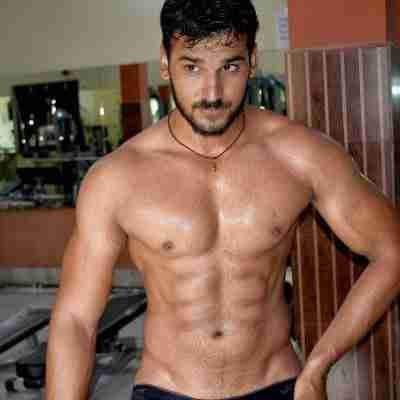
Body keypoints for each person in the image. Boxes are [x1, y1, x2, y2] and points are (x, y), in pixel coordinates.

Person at [46, 1, 400, 399]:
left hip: (276, 385)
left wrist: (319, 364)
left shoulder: (300, 156)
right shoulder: (116, 179)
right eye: (192, 67)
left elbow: (391, 250)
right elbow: (75, 320)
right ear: (165, 63)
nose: (212, 93)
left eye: (229, 66)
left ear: (252, 60)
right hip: (166, 390)